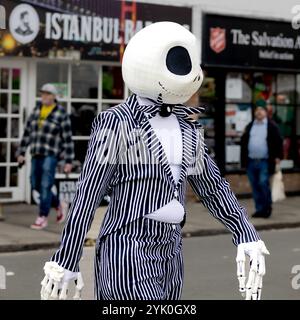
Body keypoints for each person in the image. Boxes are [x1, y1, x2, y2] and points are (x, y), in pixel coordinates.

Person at [40, 22, 269, 301]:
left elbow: (212, 187)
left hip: (172, 247)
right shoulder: (117, 123)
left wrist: (245, 232)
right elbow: (89, 193)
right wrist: (67, 257)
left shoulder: (187, 127)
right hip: (128, 245)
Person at [16, 83, 74, 230]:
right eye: (42, 93)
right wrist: (21, 153)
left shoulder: (61, 113)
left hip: (51, 155)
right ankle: (58, 204)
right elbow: (27, 134)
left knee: (45, 185)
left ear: (54, 96)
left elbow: (68, 139)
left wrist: (68, 161)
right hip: (36, 153)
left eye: (47, 94)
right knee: (34, 183)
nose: (44, 96)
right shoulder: (36, 111)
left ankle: (42, 217)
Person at [241, 99, 283, 218]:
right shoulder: (250, 126)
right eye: (257, 110)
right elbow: (244, 143)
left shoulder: (271, 126)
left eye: (261, 110)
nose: (259, 112)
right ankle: (259, 209)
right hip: (251, 161)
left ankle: (267, 208)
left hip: (265, 161)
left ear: (265, 112)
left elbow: (278, 142)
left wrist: (278, 157)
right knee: (255, 186)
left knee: (263, 183)